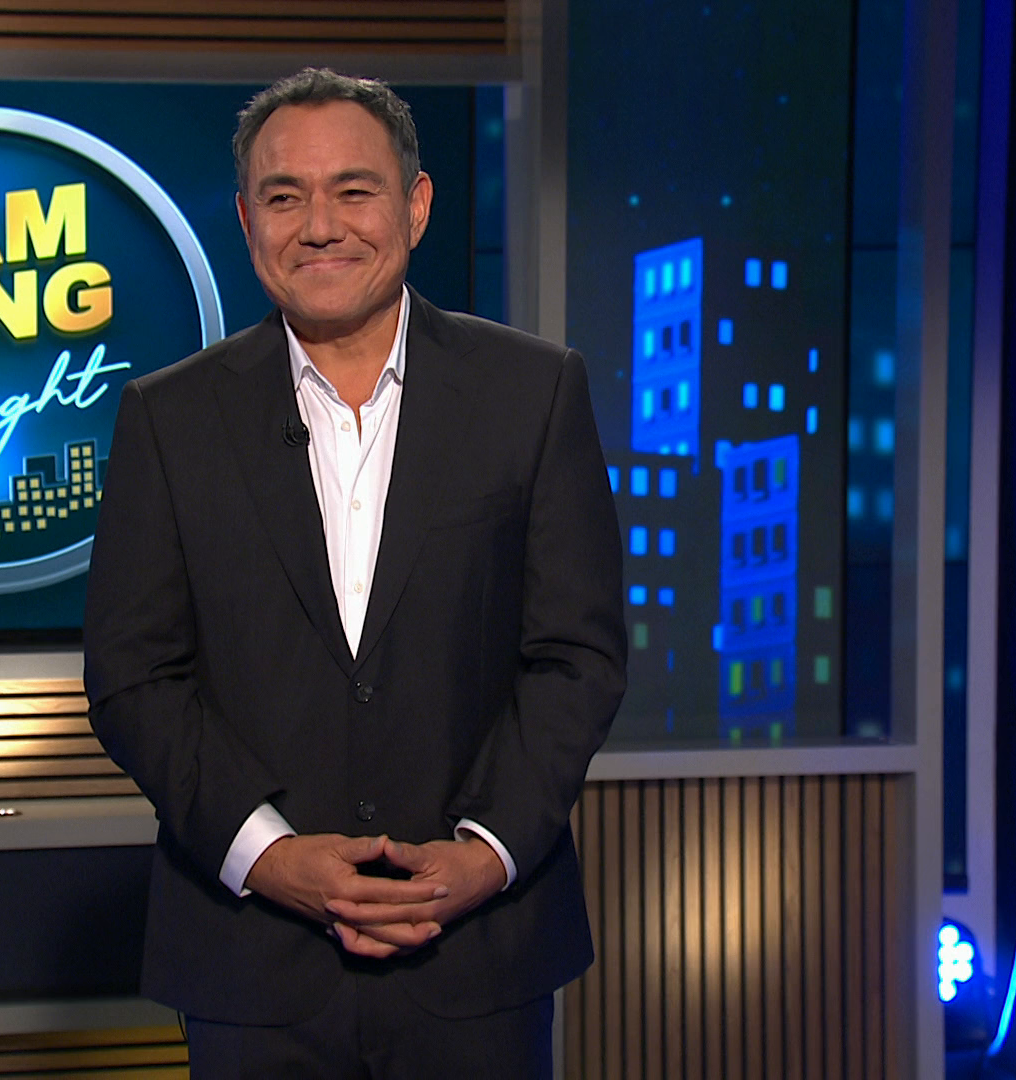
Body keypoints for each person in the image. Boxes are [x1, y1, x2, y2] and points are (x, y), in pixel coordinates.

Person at [84, 68, 626, 1078]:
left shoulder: (535, 391)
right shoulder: (168, 418)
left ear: (415, 206)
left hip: (480, 962)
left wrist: (486, 852)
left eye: (354, 190)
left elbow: (577, 655)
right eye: (285, 196)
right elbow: (133, 677)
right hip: (253, 969)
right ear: (247, 221)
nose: (320, 226)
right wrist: (270, 856)